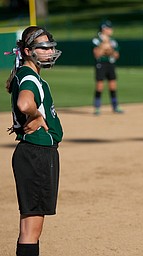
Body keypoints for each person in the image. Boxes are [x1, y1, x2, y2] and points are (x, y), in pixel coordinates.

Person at [5, 26, 63, 256]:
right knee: (32, 229)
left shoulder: (25, 74)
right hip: (37, 154)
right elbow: (24, 104)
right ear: (28, 51)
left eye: (51, 47)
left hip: (33, 154)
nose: (50, 52)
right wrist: (37, 116)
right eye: (44, 48)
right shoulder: (30, 77)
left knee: (29, 226)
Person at [92, 20, 123, 115]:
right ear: (104, 29)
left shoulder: (113, 41)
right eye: (109, 28)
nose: (111, 30)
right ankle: (97, 107)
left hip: (110, 64)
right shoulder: (97, 40)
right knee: (100, 86)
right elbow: (97, 54)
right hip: (101, 64)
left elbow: (116, 55)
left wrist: (109, 49)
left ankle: (115, 106)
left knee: (113, 85)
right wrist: (104, 46)